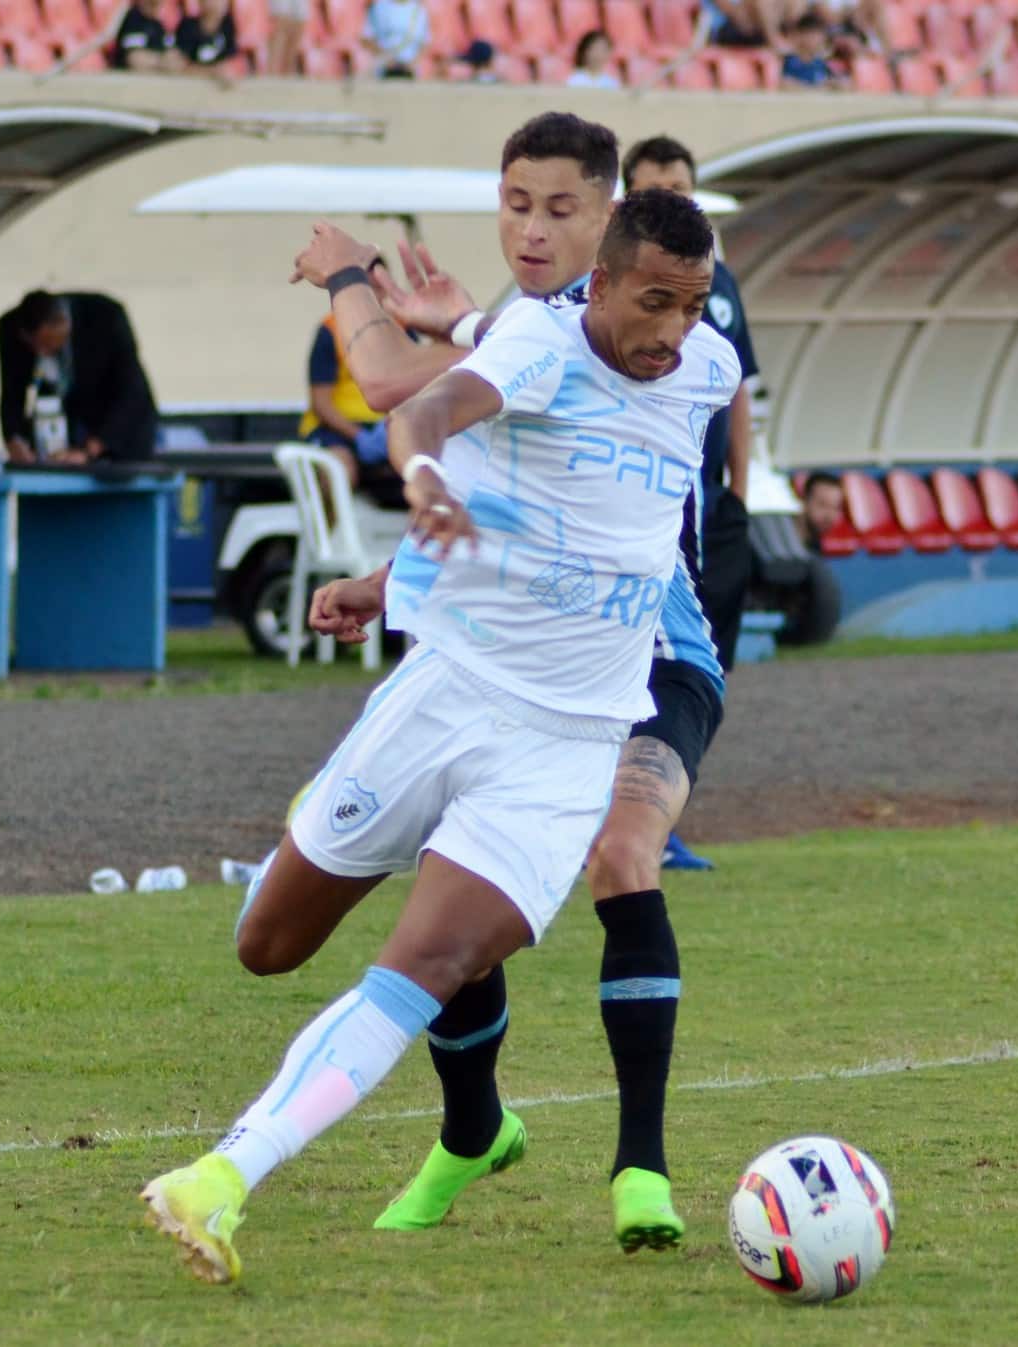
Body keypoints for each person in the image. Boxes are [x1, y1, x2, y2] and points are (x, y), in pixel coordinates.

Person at [140, 190, 740, 1287]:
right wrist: (417, 492)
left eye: (693, 307)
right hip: (444, 694)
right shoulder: (540, 346)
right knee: (265, 943)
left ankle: (221, 1177)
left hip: (566, 747)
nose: (674, 332)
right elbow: (412, 414)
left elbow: (599, 492)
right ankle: (470, 1116)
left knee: (420, 965)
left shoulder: (702, 366)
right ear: (598, 287)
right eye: (654, 303)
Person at [290, 113, 726, 1251]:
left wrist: (345, 275)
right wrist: (395, 579)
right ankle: (473, 1126)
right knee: (447, 904)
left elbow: (390, 381)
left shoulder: (671, 330)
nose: (533, 231)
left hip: (655, 659)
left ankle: (642, 1170)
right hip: (525, 665)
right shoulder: (529, 332)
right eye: (516, 206)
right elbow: (521, 500)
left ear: (613, 217)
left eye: (561, 210)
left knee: (621, 855)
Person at [621, 135, 763, 675]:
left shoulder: (719, 281)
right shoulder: (607, 286)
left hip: (711, 497)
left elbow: (739, 387)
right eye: (654, 191)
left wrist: (739, 494)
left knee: (706, 661)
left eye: (679, 189)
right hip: (647, 499)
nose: (670, 201)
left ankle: (684, 758)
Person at [0, 290, 157, 465]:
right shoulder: (9, 327)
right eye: (33, 346)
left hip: (116, 427)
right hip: (60, 422)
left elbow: (132, 392)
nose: (41, 353)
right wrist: (15, 440)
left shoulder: (107, 317)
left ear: (64, 324)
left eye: (48, 346)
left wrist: (91, 449)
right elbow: (11, 392)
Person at [299, 310, 412, 508]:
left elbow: (414, 387)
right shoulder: (331, 330)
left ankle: (424, 536)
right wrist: (359, 436)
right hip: (338, 428)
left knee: (425, 470)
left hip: (385, 426)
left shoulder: (402, 327)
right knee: (338, 470)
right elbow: (321, 403)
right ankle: (333, 535)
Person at [364, 0, 429, 77]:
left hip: (411, 68)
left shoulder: (418, 8)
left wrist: (413, 63)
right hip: (384, 67)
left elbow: (425, 42)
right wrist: (385, 59)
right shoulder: (379, 7)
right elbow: (367, 38)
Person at [111, 0, 182, 70]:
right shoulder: (133, 19)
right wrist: (161, 61)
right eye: (153, 3)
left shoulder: (157, 25)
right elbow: (134, 58)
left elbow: (168, 51)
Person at [779, 13, 839, 88]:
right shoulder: (787, 61)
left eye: (818, 35)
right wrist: (810, 88)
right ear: (799, 35)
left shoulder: (822, 63)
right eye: (811, 35)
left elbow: (834, 82)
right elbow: (783, 82)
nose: (815, 40)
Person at [799, 469, 844, 549]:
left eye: (836, 507)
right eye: (822, 505)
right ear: (804, 501)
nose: (829, 516)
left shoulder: (816, 548)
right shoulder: (776, 540)